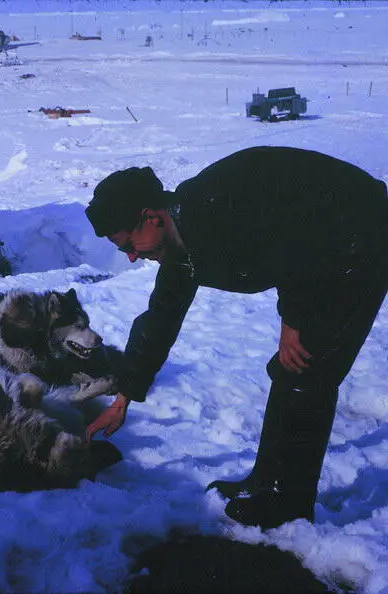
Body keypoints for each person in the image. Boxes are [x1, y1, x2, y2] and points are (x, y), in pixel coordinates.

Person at [84, 146, 388, 529]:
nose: (129, 257)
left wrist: (293, 318)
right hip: (319, 253)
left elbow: (297, 236)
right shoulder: (182, 247)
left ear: (151, 218)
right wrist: (124, 396)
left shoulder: (218, 209)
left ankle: (289, 506)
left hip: (357, 236)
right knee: (289, 371)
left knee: (308, 369)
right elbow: (160, 318)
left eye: (128, 244)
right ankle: (265, 481)